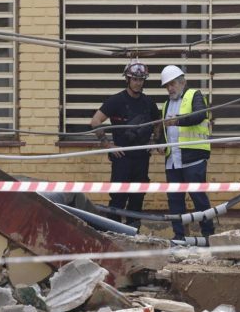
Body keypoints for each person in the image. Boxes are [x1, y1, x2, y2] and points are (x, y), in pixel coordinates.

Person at [90, 59, 160, 229]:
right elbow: (95, 121)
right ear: (127, 79)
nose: (138, 83)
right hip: (122, 160)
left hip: (142, 159)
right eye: (134, 79)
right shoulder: (116, 101)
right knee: (118, 199)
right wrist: (107, 145)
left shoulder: (149, 103)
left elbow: (158, 123)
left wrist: (155, 142)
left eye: (141, 79)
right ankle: (112, 235)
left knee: (137, 198)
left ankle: (134, 236)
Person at [158, 65, 215, 241]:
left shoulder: (194, 95)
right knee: (174, 200)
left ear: (183, 82)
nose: (170, 88)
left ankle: (208, 234)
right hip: (172, 161)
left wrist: (177, 122)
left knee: (199, 198)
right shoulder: (166, 104)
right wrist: (160, 144)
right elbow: (163, 130)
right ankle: (179, 236)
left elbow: (199, 115)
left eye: (172, 84)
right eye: (167, 85)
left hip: (193, 158)